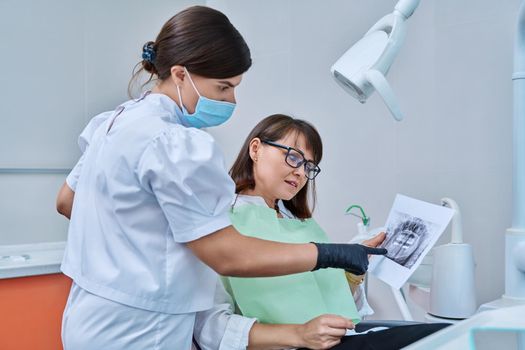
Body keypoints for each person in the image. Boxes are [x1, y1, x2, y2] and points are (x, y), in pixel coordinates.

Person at [56, 6, 386, 349]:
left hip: (88, 315)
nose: (231, 100)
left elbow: (67, 201)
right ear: (180, 74)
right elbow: (229, 257)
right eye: (223, 87)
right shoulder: (173, 143)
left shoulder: (114, 122)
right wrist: (331, 254)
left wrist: (135, 239)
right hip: (141, 328)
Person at [192, 114, 448, 350]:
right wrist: (299, 334)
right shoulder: (220, 222)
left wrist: (352, 275)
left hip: (342, 342)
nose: (301, 173)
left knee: (450, 334)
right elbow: (210, 329)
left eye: (309, 167)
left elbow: (329, 306)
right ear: (256, 149)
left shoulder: (301, 224)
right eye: (293, 157)